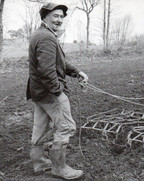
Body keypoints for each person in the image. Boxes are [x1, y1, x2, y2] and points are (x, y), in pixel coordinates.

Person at [26, 3, 88, 180]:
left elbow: (58, 63)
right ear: (45, 16)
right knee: (67, 127)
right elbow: (47, 71)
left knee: (41, 128)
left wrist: (77, 72)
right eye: (55, 16)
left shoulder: (42, 34)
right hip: (49, 94)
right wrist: (58, 92)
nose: (59, 19)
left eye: (61, 17)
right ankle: (59, 168)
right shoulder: (46, 38)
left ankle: (39, 163)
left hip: (39, 92)